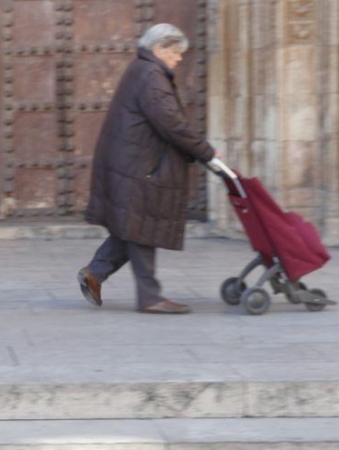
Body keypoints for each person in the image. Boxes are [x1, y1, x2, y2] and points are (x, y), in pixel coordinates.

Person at [78, 23, 216, 314]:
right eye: (176, 53)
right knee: (142, 227)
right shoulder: (151, 75)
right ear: (160, 49)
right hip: (138, 166)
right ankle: (150, 297)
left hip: (132, 162)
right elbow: (171, 123)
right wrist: (206, 153)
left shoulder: (142, 70)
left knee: (133, 225)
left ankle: (95, 273)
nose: (179, 59)